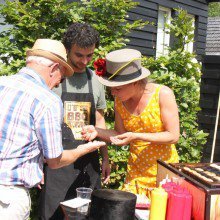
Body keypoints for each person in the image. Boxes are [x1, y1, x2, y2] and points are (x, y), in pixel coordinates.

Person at [0, 38, 106, 220]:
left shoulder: (2, 83)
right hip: (10, 197)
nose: (59, 82)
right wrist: (82, 149)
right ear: (53, 68)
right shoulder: (46, 99)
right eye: (61, 76)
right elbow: (55, 160)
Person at [82, 48, 180, 194]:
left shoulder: (163, 94)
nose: (113, 93)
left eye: (118, 88)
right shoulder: (120, 101)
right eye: (111, 89)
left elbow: (173, 136)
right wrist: (97, 131)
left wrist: (137, 136)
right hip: (135, 175)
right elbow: (119, 133)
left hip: (164, 174)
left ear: (135, 82)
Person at [39, 23, 110, 219]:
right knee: (53, 215)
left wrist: (105, 157)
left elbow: (100, 121)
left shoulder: (95, 80)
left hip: (88, 162)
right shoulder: (54, 78)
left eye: (90, 55)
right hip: (58, 162)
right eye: (79, 55)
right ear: (67, 49)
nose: (85, 61)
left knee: (87, 214)